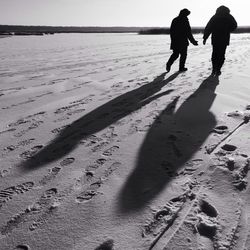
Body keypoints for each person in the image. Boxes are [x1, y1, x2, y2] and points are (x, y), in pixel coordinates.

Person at [203, 6, 237, 76]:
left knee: (215, 54)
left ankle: (214, 69)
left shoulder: (215, 16)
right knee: (221, 54)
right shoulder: (229, 16)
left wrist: (205, 37)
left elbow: (209, 27)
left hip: (215, 38)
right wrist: (228, 30)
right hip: (224, 38)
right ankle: (218, 69)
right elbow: (234, 26)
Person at [166, 8, 198, 73]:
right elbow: (188, 32)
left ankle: (169, 63)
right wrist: (193, 41)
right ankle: (181, 68)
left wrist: (173, 40)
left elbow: (171, 31)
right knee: (183, 55)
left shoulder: (175, 19)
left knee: (176, 54)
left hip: (175, 40)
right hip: (183, 41)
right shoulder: (185, 20)